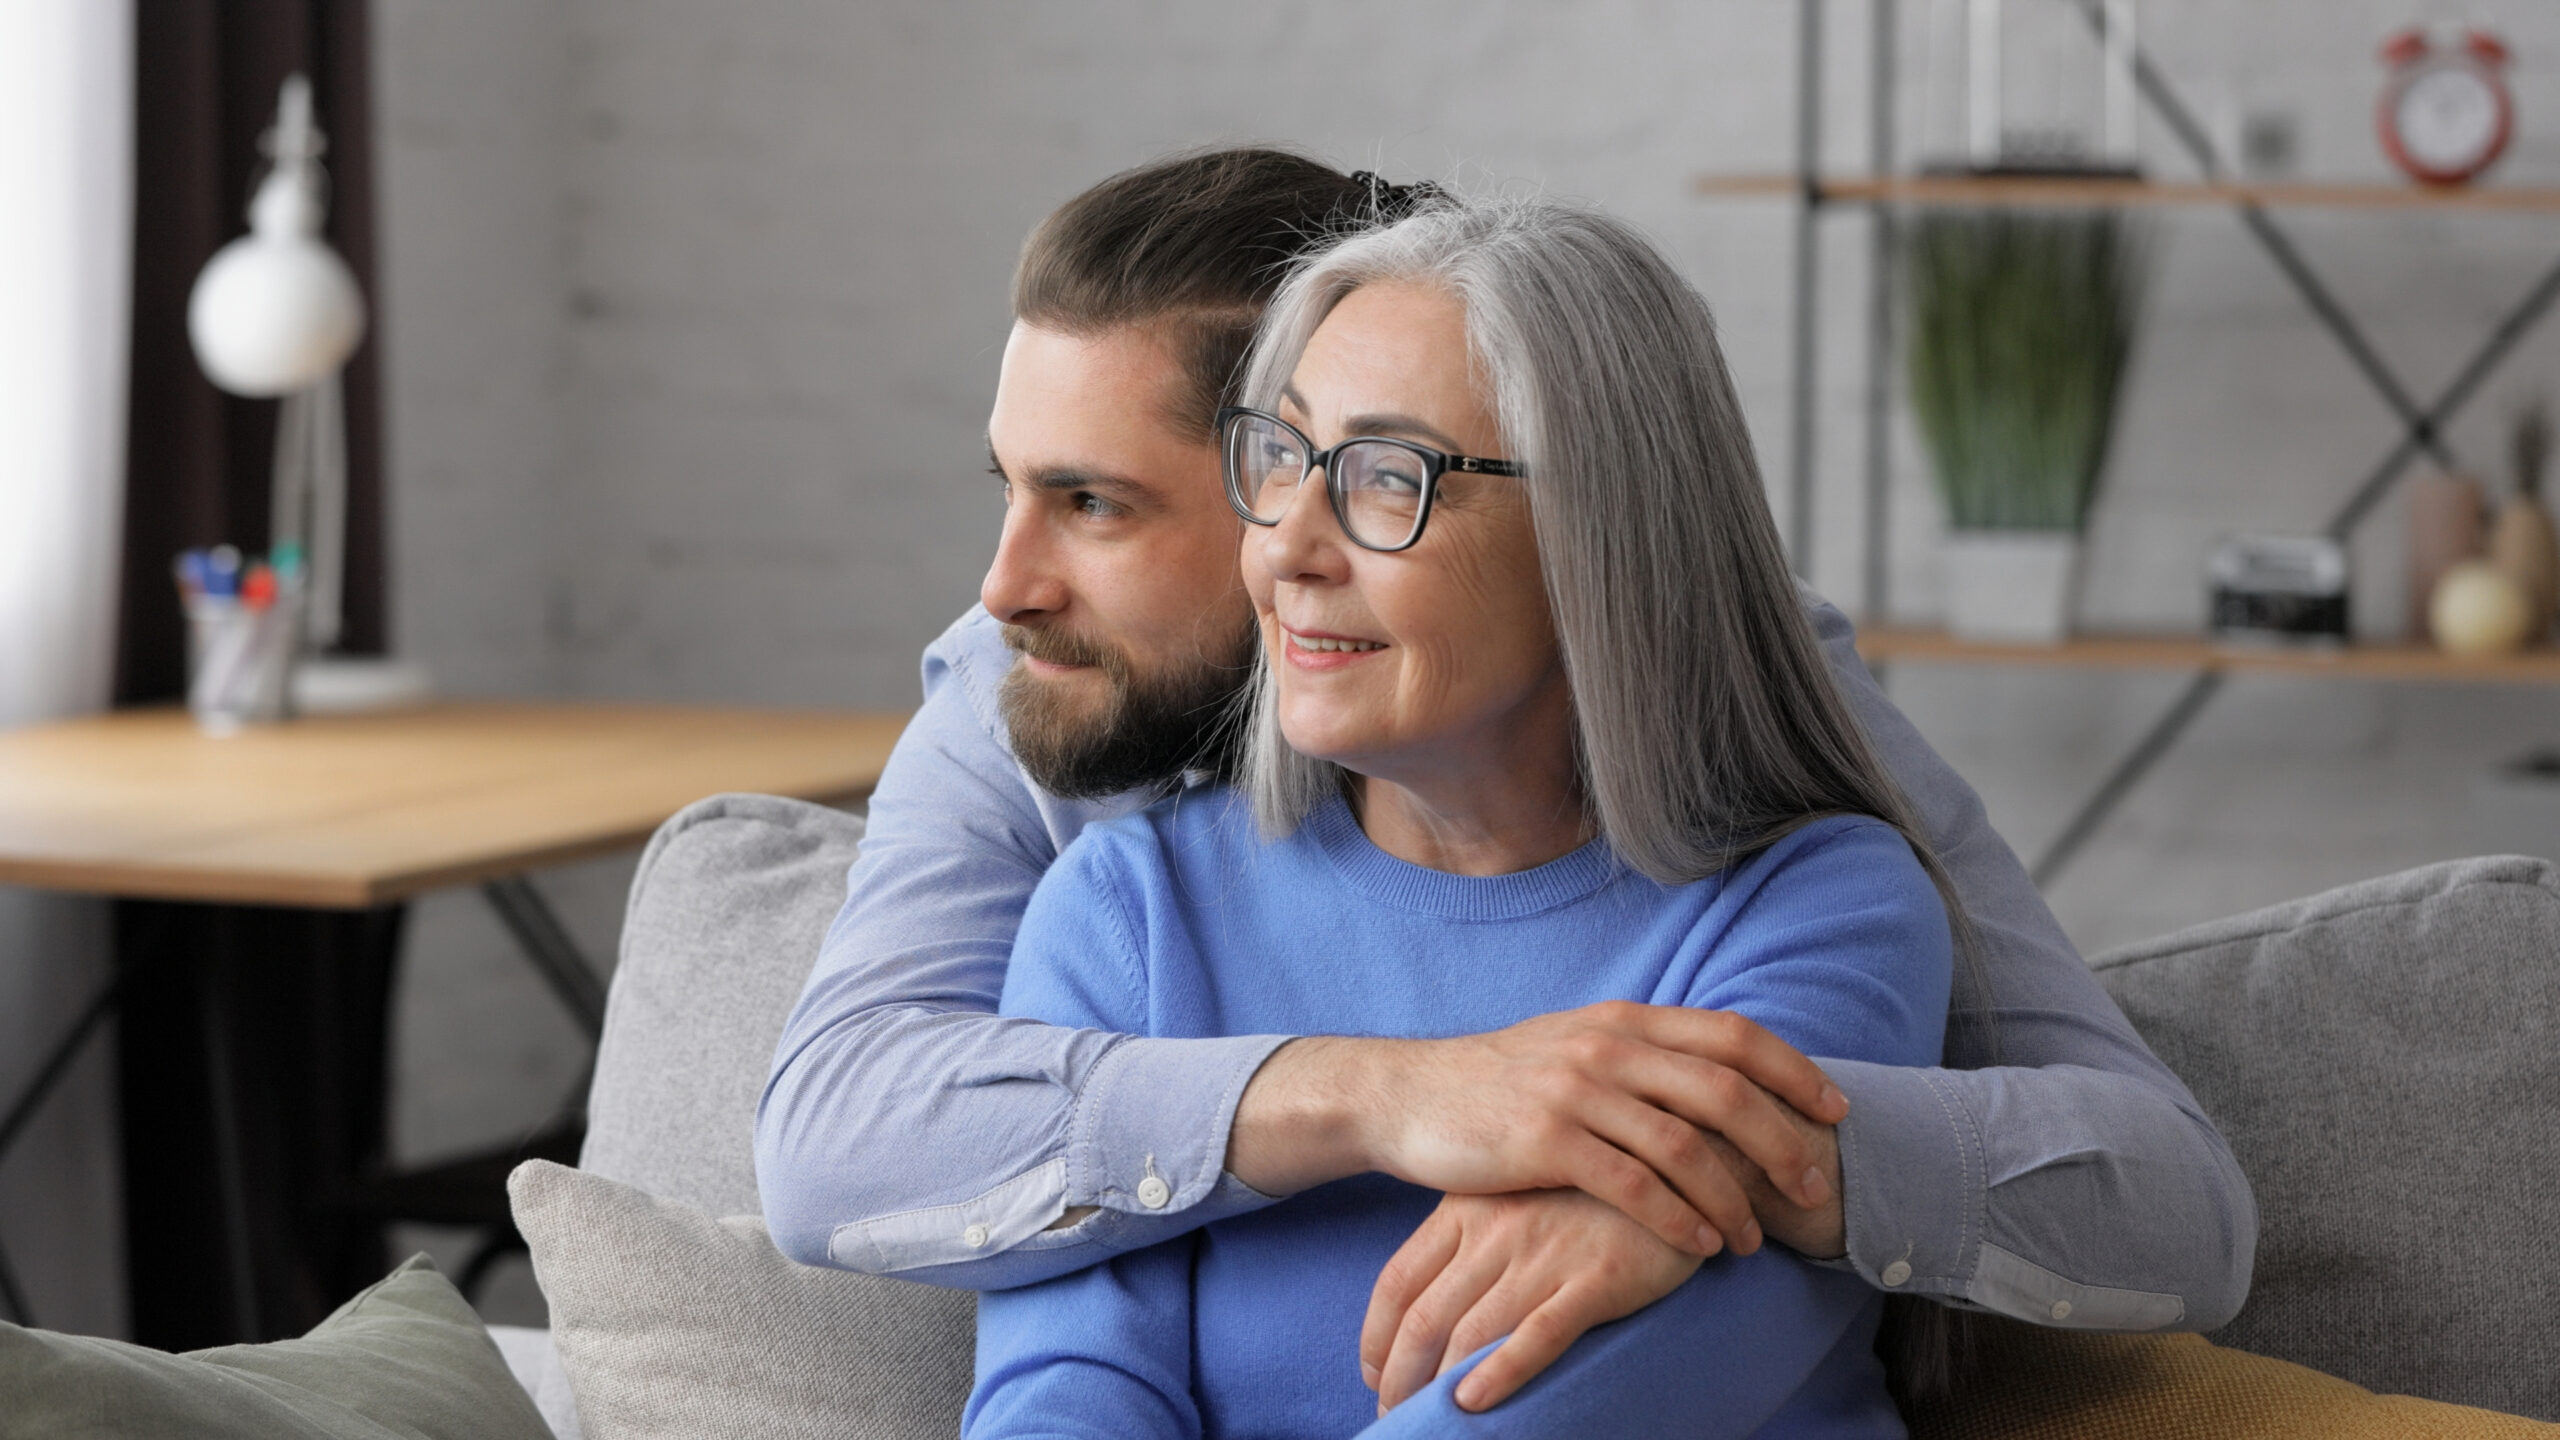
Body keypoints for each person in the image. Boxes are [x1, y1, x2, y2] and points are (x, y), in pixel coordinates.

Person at [757, 149, 2253, 1414]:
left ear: (1593, 541)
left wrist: (1755, 1157)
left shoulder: (1803, 861)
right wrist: (1383, 1094)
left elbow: (2172, 1200)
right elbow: (874, 1188)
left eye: (1095, 502)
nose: (1004, 587)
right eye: (1288, 458)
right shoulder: (1091, 831)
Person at [970, 192, 1954, 1439]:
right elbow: (1063, 1390)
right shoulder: (1128, 909)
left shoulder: (1819, 913)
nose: (1286, 548)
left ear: (1598, 537)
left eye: (1390, 478)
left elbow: (1562, 1408)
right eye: (1282, 457)